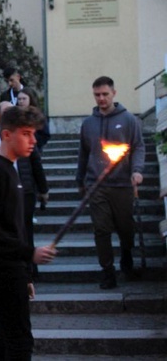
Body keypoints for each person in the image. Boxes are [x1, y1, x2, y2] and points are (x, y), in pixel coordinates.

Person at [0, 106, 58, 361]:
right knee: (19, 342)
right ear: (7, 134)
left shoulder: (10, 168)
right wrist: (29, 254)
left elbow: (15, 227)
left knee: (7, 342)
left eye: (34, 134)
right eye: (27, 134)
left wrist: (25, 273)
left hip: (11, 268)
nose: (33, 141)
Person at [76, 76, 145, 289]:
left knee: (125, 228)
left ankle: (126, 254)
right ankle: (107, 271)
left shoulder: (129, 120)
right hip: (97, 185)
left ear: (114, 93)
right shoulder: (88, 124)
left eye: (105, 94)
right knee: (101, 229)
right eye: (97, 95)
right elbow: (83, 153)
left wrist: (137, 170)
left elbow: (139, 147)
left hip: (122, 184)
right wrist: (80, 180)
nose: (101, 98)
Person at [16, 87, 50, 152]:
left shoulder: (38, 115)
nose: (21, 101)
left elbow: (45, 134)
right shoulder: (15, 114)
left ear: (30, 99)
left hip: (34, 148)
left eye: (24, 99)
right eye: (19, 99)